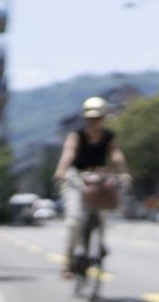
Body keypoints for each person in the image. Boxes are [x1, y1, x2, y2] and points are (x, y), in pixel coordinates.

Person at [52, 97, 131, 277]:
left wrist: (124, 173)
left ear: (103, 118)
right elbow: (68, 154)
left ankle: (100, 243)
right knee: (74, 221)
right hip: (77, 177)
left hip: (99, 178)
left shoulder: (109, 137)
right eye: (91, 118)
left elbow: (116, 155)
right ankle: (69, 259)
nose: (94, 121)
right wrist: (61, 171)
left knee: (102, 213)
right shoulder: (77, 136)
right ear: (85, 118)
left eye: (98, 117)